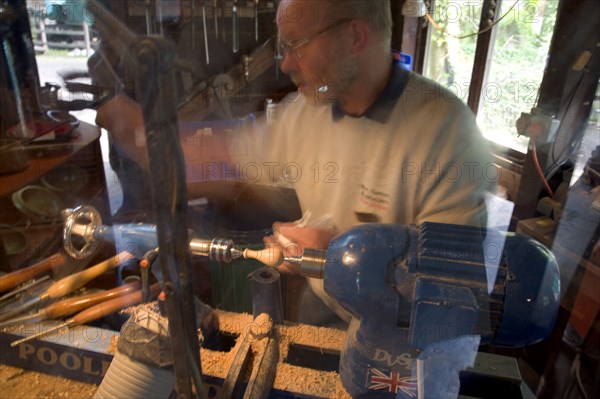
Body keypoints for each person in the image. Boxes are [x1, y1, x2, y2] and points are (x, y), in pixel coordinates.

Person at [95, 0, 494, 327]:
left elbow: (454, 295)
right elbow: (208, 161)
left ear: (354, 36)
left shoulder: (446, 132)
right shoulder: (305, 112)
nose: (285, 64)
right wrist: (139, 128)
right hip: (322, 312)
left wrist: (338, 256)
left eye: (295, 45)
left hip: (400, 339)